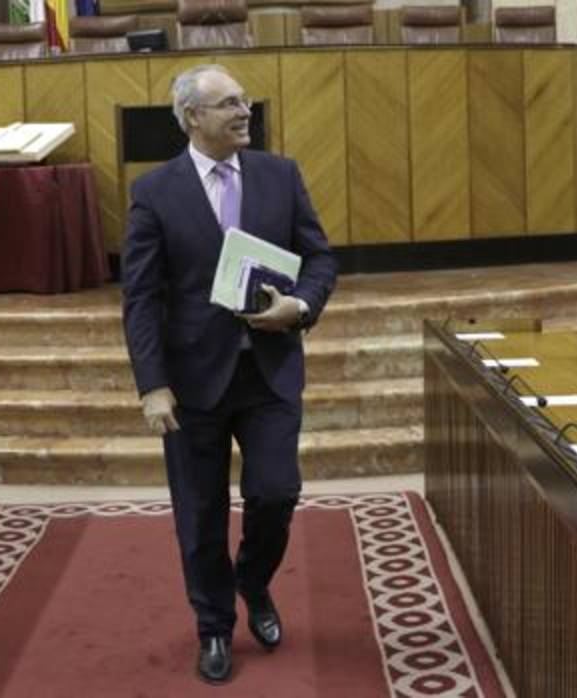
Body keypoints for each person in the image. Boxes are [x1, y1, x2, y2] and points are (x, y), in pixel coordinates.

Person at [120, 64, 337, 685]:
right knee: (200, 511)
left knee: (276, 493)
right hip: (192, 382)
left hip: (268, 373)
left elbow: (319, 258)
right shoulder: (155, 192)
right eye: (228, 105)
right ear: (192, 117)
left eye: (245, 102)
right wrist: (151, 383)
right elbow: (140, 297)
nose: (245, 112)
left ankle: (254, 582)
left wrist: (300, 306)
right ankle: (214, 625)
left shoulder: (280, 175)